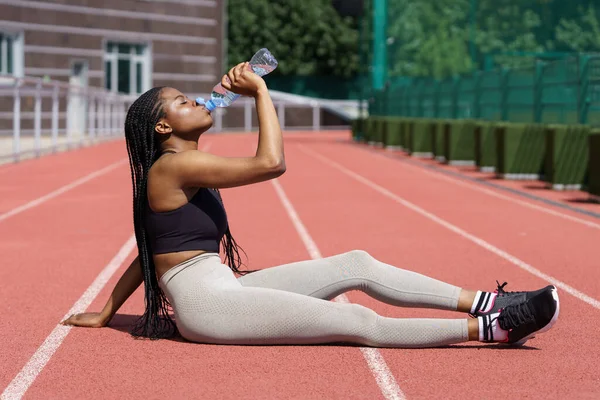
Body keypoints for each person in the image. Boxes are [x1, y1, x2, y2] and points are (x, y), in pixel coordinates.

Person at [62, 62, 559, 347]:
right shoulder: (174, 166)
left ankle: (486, 301)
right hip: (211, 305)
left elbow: (147, 250)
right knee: (358, 323)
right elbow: (271, 163)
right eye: (182, 102)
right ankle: (491, 328)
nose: (196, 101)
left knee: (357, 264)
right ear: (163, 128)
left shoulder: (183, 166)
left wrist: (106, 312)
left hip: (221, 285)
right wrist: (259, 90)